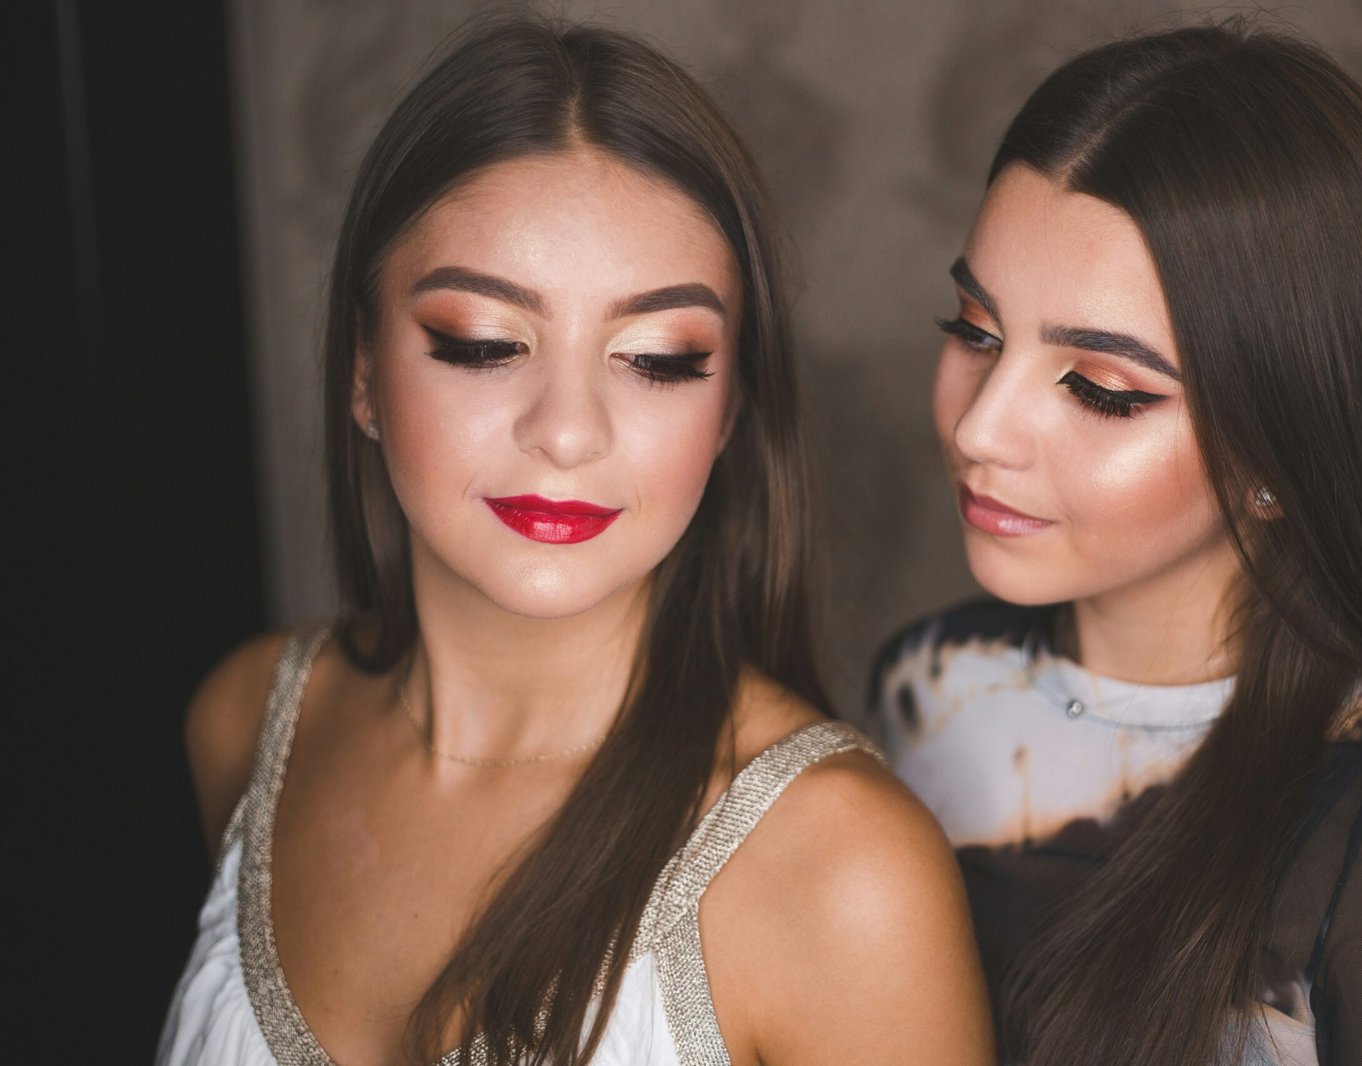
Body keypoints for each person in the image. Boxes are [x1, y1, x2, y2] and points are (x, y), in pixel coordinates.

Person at [160, 16, 991, 1066]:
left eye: (655, 358)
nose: (565, 430)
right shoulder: (246, 722)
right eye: (484, 343)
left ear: (730, 405)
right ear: (363, 370)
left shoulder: (838, 870)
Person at [869, 20, 1362, 1066]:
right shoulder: (930, 683)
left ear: (1275, 449)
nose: (980, 428)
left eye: (1101, 388)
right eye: (976, 331)